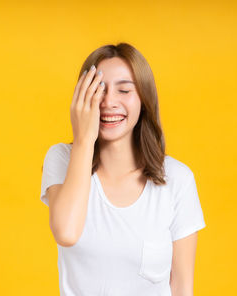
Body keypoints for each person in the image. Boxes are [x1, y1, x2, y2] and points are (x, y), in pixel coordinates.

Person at [40, 42, 206, 295]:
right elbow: (66, 232)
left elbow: (182, 287)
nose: (109, 102)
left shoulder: (178, 179)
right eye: (98, 90)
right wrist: (84, 138)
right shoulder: (63, 159)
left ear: (143, 98)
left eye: (124, 91)